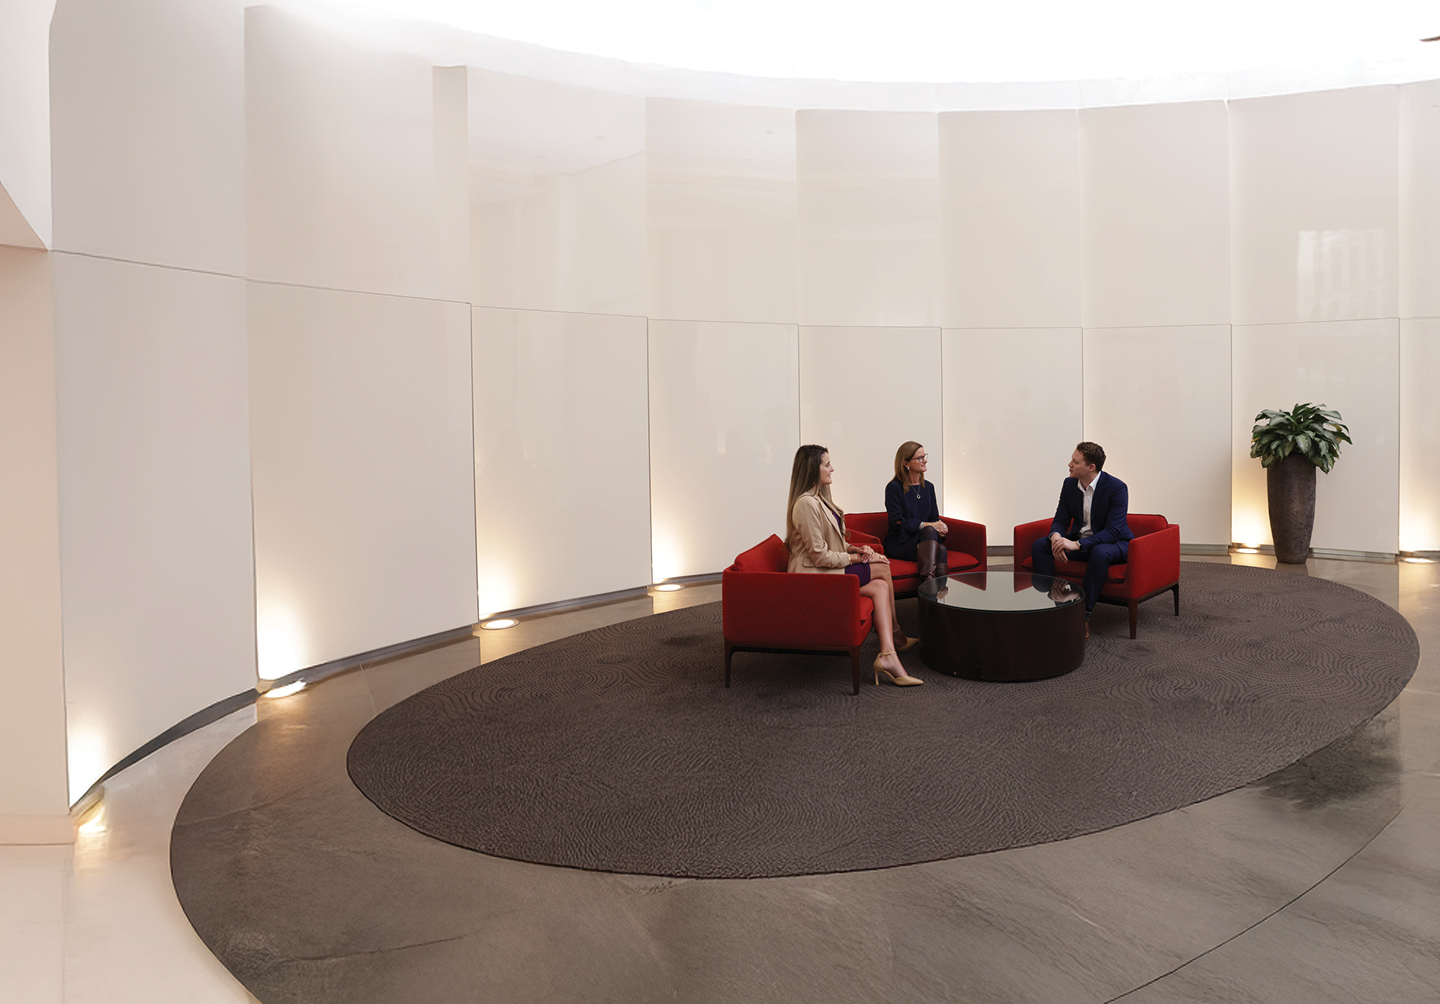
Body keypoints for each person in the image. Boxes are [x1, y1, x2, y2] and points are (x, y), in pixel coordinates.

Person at [786, 444, 922, 687]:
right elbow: (819, 556)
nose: (832, 468)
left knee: (880, 587)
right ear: (811, 468)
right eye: (827, 464)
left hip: (827, 570)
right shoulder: (805, 504)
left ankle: (888, 656)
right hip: (812, 576)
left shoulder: (819, 499)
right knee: (881, 566)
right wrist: (857, 559)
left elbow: (834, 543)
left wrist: (856, 548)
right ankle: (896, 634)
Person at [1030, 441, 1132, 637]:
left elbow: (1113, 531)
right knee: (1040, 546)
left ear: (1091, 467)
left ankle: (1083, 615)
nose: (1069, 464)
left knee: (1100, 552)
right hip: (1082, 544)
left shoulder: (1117, 488)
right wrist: (1057, 537)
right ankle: (1055, 603)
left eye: (1075, 462)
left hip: (1113, 544)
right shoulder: (1069, 484)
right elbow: (1060, 519)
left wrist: (1076, 544)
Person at [883, 441, 948, 583]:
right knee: (936, 542)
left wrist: (941, 527)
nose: (924, 460)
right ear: (906, 463)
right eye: (919, 458)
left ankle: (932, 590)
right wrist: (927, 525)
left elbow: (934, 518)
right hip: (901, 541)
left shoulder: (929, 487)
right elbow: (898, 522)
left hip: (923, 540)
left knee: (939, 544)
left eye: (924, 456)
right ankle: (931, 590)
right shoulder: (893, 488)